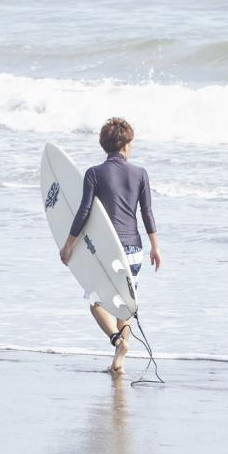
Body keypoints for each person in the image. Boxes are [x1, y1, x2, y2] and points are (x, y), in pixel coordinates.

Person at [59, 117, 163, 373]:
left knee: (96, 304)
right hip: (134, 250)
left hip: (108, 250)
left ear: (105, 145)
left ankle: (117, 342)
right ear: (126, 144)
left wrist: (69, 244)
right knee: (124, 306)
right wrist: (155, 247)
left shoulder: (94, 173)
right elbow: (147, 213)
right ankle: (120, 361)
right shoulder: (140, 174)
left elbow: (83, 212)